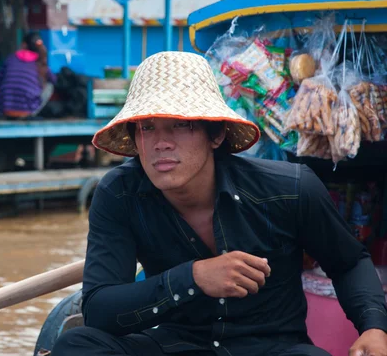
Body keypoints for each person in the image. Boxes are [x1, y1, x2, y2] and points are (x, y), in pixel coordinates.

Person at [51, 52, 387, 356]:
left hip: (272, 349)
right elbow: (98, 311)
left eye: (180, 125)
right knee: (76, 346)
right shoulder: (119, 193)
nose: (161, 143)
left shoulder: (290, 188)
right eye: (147, 127)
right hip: (177, 345)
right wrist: (192, 278)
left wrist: (374, 327)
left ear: (216, 135)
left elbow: (348, 262)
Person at [0, 32, 56, 119]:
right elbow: (53, 80)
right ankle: (31, 114)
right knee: (49, 86)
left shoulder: (11, 58)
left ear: (24, 45)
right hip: (26, 110)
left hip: (5, 110)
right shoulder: (40, 62)